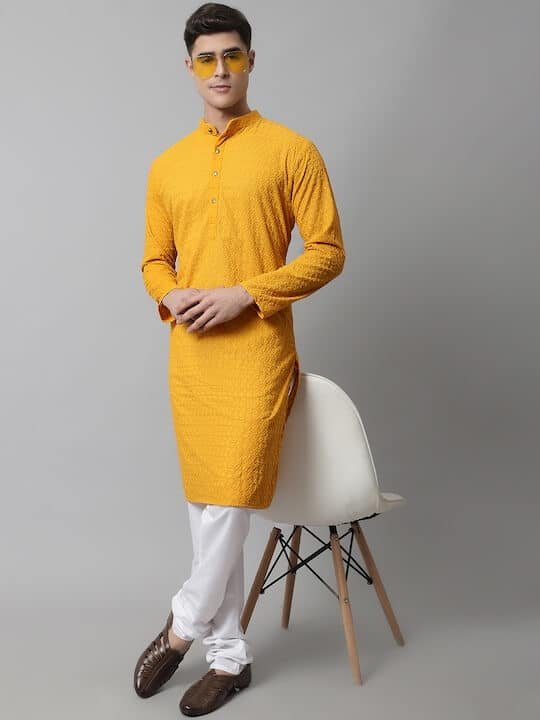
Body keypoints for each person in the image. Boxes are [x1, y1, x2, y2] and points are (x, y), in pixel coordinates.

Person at [134, 2, 346, 715]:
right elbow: (153, 261)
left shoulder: (292, 151)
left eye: (232, 55)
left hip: (258, 350)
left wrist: (246, 294)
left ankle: (181, 624)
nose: (220, 70)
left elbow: (327, 252)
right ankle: (229, 657)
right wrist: (173, 295)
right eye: (206, 58)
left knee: (230, 499)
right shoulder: (168, 165)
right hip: (192, 355)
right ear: (189, 67)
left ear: (251, 60)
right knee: (206, 507)